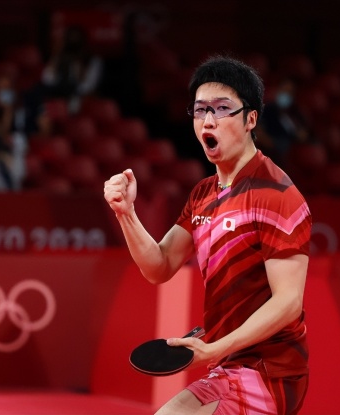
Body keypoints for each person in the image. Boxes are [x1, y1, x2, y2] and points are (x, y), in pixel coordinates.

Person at [104, 56, 312, 415]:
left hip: (271, 372)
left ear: (250, 119)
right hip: (229, 365)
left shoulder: (276, 194)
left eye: (222, 109)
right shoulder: (203, 194)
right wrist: (126, 213)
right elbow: (160, 266)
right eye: (200, 110)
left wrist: (215, 348)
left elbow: (288, 301)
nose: (208, 120)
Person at [257, 77, 314, 168]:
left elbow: (304, 134)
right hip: (273, 153)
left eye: (289, 92)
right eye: (284, 90)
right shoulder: (267, 110)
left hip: (293, 153)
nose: (285, 95)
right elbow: (259, 133)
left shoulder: (296, 113)